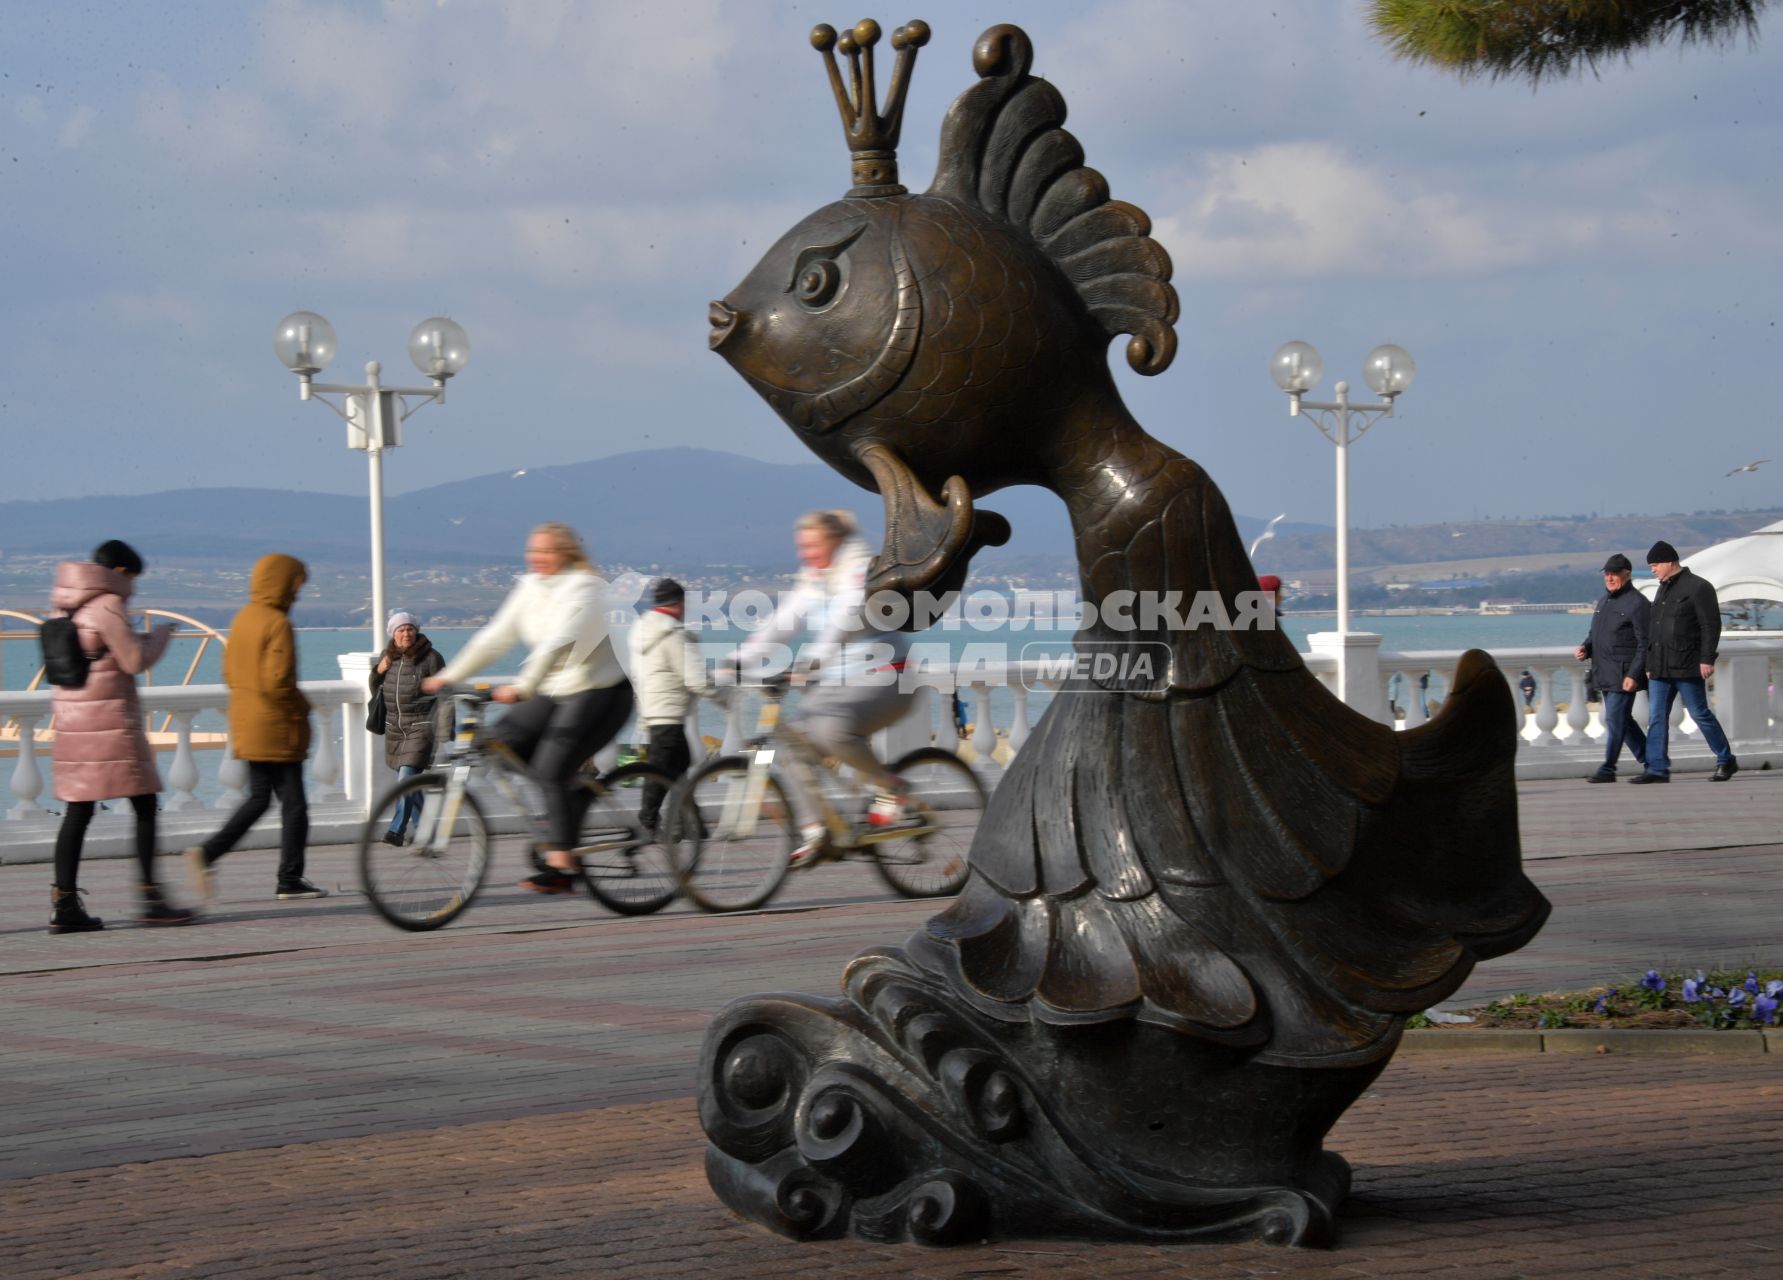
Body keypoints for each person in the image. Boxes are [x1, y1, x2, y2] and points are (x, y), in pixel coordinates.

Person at [422, 522, 634, 894]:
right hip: (553, 691)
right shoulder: (529, 588)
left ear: (566, 554)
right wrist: (448, 676)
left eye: (546, 551)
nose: (536, 557)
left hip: (601, 691)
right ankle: (568, 809)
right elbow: (494, 637)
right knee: (499, 746)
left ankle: (564, 867)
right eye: (532, 550)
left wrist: (524, 687)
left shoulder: (585, 588)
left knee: (550, 770)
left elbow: (558, 642)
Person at [732, 509, 913, 866]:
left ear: (834, 541)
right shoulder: (813, 578)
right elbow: (784, 621)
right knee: (790, 745)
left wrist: (814, 659)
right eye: (802, 546)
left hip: (885, 676)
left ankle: (892, 788)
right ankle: (817, 832)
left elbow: (844, 618)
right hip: (839, 684)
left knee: (831, 730)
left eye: (812, 545)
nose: (805, 553)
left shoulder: (859, 568)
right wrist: (740, 658)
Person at [46, 540, 197, 933]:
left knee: (78, 811)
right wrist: (159, 635)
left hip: (73, 720)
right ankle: (151, 898)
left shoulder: (66, 604)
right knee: (145, 804)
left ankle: (64, 903)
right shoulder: (108, 604)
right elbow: (133, 660)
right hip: (109, 721)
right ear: (123, 573)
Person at [183, 553, 326, 900]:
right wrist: (302, 708)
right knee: (294, 805)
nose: (297, 593)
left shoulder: (243, 619)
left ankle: (209, 853)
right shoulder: (277, 623)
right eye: (296, 585)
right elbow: (278, 682)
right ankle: (289, 878)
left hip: (247, 723)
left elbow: (230, 674)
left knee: (259, 798)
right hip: (276, 727)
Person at [1631, 540, 1737, 784]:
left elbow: (1710, 626)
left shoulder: (1699, 588)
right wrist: (1648, 664)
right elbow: (1654, 630)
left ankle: (1725, 759)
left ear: (1670, 562)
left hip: (1687, 664)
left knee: (1700, 714)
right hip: (1659, 667)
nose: (1653, 570)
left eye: (1655, 565)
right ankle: (1657, 769)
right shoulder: (1662, 589)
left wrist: (1707, 658)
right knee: (1656, 717)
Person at [629, 578, 706, 833]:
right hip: (669, 711)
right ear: (680, 603)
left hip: (649, 709)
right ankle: (648, 823)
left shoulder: (641, 630)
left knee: (678, 766)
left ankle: (691, 823)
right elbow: (698, 680)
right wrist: (727, 697)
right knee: (661, 771)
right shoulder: (673, 634)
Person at [369, 611, 446, 845]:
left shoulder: (432, 658)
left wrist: (445, 729)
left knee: (405, 779)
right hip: (395, 728)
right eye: (401, 630)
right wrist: (378, 671)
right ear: (393, 634)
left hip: (421, 726)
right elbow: (375, 688)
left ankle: (396, 830)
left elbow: (445, 693)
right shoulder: (387, 656)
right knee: (410, 783)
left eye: (409, 629)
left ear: (417, 631)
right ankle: (426, 832)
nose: (406, 633)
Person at [1574, 553, 1648, 783]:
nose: (1609, 578)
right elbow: (1595, 634)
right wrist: (1586, 647)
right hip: (1604, 671)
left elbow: (1646, 643)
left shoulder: (1638, 603)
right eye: (1606, 574)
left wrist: (1634, 674)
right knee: (1622, 720)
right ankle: (1652, 760)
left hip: (1624, 673)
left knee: (1615, 719)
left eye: (1614, 574)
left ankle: (1608, 768)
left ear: (1627, 575)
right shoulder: (1603, 602)